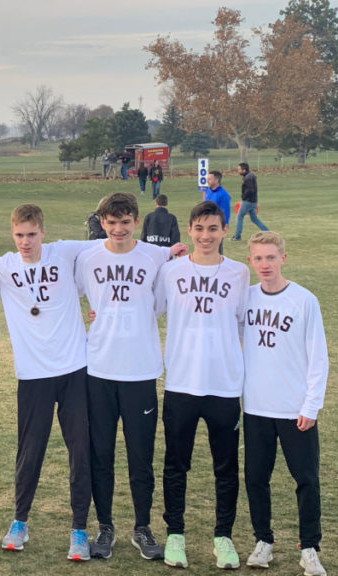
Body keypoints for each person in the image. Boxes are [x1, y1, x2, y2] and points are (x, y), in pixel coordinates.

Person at [0, 204, 95, 562]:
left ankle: (79, 529)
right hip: (33, 376)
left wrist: (167, 251)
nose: (26, 242)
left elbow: (112, 246)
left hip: (74, 369)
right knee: (29, 451)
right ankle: (19, 521)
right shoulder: (3, 266)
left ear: (43, 232)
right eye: (19, 235)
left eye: (31, 234)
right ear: (12, 235)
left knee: (80, 451)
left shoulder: (66, 251)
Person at [76, 193, 186, 562]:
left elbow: (166, 297)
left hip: (141, 370)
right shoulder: (88, 257)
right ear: (101, 222)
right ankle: (105, 526)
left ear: (136, 222)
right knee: (101, 455)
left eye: (125, 222)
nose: (118, 229)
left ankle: (142, 527)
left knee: (141, 457)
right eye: (111, 222)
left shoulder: (156, 256)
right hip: (99, 370)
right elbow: (62, 296)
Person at [155, 201, 249, 570]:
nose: (206, 235)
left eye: (213, 228)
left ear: (224, 230)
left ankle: (223, 537)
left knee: (225, 466)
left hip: (225, 386)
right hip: (181, 382)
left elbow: (244, 324)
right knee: (176, 464)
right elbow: (148, 310)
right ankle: (175, 535)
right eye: (199, 228)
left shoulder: (240, 273)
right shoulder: (171, 271)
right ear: (189, 231)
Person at [242, 231, 328, 576]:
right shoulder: (245, 298)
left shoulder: (304, 300)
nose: (265, 264)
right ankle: (263, 541)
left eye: (271, 257)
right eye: (259, 258)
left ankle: (309, 547)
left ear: (283, 258)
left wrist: (311, 405)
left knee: (306, 479)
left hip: (295, 410)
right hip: (256, 408)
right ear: (251, 261)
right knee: (255, 478)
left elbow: (318, 358)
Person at [231, 162, 267, 241]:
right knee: (254, 219)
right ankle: (268, 232)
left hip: (248, 201)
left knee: (239, 216)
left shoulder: (248, 177)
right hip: (253, 201)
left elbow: (250, 190)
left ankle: (237, 236)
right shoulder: (250, 176)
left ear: (244, 170)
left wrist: (244, 197)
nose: (238, 171)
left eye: (239, 169)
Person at [204, 170, 230, 254]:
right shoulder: (208, 190)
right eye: (207, 179)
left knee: (217, 248)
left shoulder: (223, 195)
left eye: (210, 179)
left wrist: (224, 225)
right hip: (206, 223)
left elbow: (225, 212)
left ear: (216, 180)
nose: (207, 181)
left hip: (217, 225)